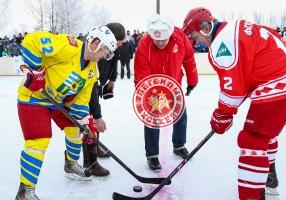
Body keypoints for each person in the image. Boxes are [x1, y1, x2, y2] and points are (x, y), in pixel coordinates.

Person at [182, 7, 286, 200]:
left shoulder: (221, 44)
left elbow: (233, 89)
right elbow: (245, 75)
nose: (196, 42)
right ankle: (269, 179)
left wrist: (222, 115)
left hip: (277, 82)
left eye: (194, 36)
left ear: (204, 27)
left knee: (252, 138)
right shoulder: (237, 26)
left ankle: (251, 195)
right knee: (265, 133)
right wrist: (228, 110)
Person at [16, 25, 118, 199]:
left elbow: (81, 100)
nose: (104, 56)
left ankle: (71, 164)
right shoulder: (68, 45)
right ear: (95, 43)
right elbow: (31, 41)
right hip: (34, 98)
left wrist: (85, 121)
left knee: (76, 129)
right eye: (105, 51)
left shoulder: (93, 70)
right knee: (38, 142)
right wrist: (35, 70)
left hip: (56, 102)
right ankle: (25, 191)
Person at [134, 14, 198, 171]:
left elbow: (189, 59)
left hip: (174, 84)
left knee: (181, 116)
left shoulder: (180, 37)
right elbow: (141, 75)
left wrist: (192, 81)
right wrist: (146, 98)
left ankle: (179, 145)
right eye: (156, 40)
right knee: (152, 120)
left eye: (163, 39)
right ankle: (152, 156)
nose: (160, 43)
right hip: (153, 88)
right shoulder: (144, 45)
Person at [83, 22, 126, 176]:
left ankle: (94, 146)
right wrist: (98, 116)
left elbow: (115, 61)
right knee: (89, 120)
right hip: (87, 87)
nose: (118, 47)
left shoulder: (112, 49)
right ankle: (90, 162)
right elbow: (91, 86)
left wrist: (112, 80)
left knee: (93, 119)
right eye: (117, 44)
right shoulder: (95, 52)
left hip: (98, 83)